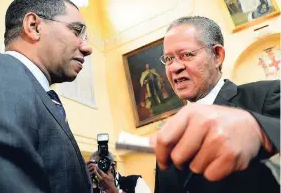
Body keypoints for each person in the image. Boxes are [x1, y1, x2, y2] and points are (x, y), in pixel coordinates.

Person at [153, 16, 280, 193]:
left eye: (187, 55)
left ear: (217, 55)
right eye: (168, 59)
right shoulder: (168, 136)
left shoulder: (267, 95)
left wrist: (262, 131)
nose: (174, 67)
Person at [0, 0, 93, 192]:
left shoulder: (35, 92)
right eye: (76, 31)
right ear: (33, 26)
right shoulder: (0, 70)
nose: (87, 48)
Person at [87, 151, 151, 193]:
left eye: (103, 165)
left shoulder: (135, 182)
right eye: (94, 165)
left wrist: (113, 190)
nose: (98, 170)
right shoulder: (90, 189)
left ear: (114, 165)